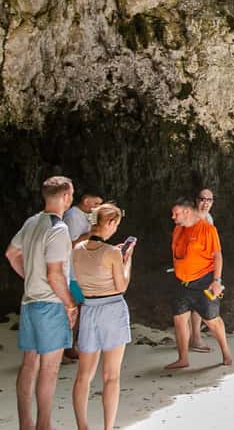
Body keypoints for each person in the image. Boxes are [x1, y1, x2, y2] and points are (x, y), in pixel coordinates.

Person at [6, 176, 78, 430]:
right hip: (51, 304)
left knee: (29, 364)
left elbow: (11, 253)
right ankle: (44, 425)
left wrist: (29, 276)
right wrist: (70, 304)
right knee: (49, 369)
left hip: (29, 303)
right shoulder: (58, 229)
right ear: (66, 196)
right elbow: (56, 275)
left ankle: (26, 424)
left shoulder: (31, 222)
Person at [71, 203, 134, 430]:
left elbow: (74, 283)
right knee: (111, 377)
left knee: (83, 376)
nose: (115, 230)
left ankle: (82, 426)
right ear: (109, 222)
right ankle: (108, 428)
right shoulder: (113, 253)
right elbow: (122, 286)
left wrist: (81, 302)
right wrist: (127, 261)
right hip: (113, 311)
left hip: (88, 309)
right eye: (115, 224)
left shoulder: (76, 249)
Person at [167, 196, 232, 369]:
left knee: (212, 320)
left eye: (176, 213)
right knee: (179, 320)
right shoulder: (178, 229)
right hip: (181, 282)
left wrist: (216, 281)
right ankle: (183, 359)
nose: (173, 217)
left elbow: (217, 255)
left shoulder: (207, 229)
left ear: (187, 212)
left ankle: (226, 352)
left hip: (203, 282)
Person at [61, 190, 103, 361]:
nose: (98, 207)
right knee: (75, 307)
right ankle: (68, 346)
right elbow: (70, 243)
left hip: (82, 269)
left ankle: (74, 343)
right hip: (72, 271)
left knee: (81, 308)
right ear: (86, 200)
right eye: (96, 203)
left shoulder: (89, 215)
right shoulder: (72, 216)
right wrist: (93, 233)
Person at [189, 188, 215, 352]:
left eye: (209, 200)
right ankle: (195, 338)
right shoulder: (192, 218)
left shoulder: (208, 217)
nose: (205, 203)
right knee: (196, 302)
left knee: (199, 301)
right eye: (202, 199)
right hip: (194, 267)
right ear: (196, 200)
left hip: (205, 265)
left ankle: (194, 336)